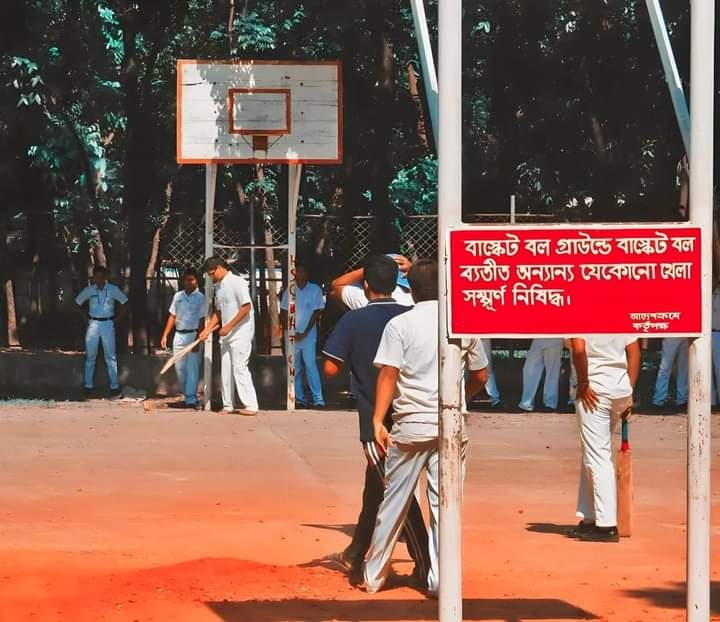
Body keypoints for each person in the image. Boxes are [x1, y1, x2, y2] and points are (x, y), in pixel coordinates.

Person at [362, 259, 488, 596]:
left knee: (394, 502)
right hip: (450, 423)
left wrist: (377, 419)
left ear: (412, 290)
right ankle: (440, 583)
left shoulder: (401, 323)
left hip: (410, 423)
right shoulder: (462, 323)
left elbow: (388, 374)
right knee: (444, 504)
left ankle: (374, 576)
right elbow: (480, 376)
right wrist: (458, 396)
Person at [322, 255, 428, 584]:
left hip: (376, 423)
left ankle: (426, 562)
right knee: (376, 485)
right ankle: (356, 552)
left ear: (366, 284)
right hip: (412, 411)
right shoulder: (411, 313)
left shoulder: (355, 318)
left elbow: (329, 368)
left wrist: (354, 368)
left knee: (397, 491)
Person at [569, 336, 640, 543]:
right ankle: (591, 517)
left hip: (595, 389)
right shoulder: (617, 311)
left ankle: (606, 524)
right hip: (619, 389)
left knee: (597, 455)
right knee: (594, 451)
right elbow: (634, 351)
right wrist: (629, 389)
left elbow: (579, 349)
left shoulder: (577, 312)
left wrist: (583, 383)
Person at [198, 257, 258, 415]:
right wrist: (207, 329)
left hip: (240, 332)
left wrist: (229, 326)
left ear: (218, 268)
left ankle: (251, 405)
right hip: (226, 335)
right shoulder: (218, 287)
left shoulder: (237, 282)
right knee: (226, 370)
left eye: (211, 274)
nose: (211, 277)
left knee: (239, 368)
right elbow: (219, 312)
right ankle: (228, 405)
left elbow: (246, 307)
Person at [74, 265, 128, 398]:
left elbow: (125, 303)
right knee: (90, 356)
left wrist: (116, 318)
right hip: (93, 323)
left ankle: (114, 386)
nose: (98, 279)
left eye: (101, 276)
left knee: (110, 356)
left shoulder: (112, 289)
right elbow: (77, 303)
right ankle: (88, 386)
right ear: (93, 277)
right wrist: (86, 318)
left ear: (106, 277)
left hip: (108, 323)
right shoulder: (89, 290)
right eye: (96, 276)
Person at [280, 262, 325, 408]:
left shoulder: (315, 289)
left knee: (311, 365)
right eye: (297, 272)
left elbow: (316, 312)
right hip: (291, 334)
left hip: (308, 336)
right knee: (295, 366)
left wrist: (304, 332)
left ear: (307, 274)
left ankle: (318, 399)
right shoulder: (290, 289)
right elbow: (284, 310)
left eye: (302, 271)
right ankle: (299, 397)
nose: (299, 274)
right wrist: (289, 329)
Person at [160, 268, 206, 409]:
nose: (188, 283)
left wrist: (199, 338)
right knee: (180, 368)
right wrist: (165, 334)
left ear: (197, 281)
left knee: (192, 368)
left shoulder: (201, 298)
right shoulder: (178, 296)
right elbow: (172, 316)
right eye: (186, 280)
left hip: (193, 335)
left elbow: (202, 319)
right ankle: (187, 396)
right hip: (179, 335)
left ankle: (191, 399)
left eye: (191, 280)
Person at [331, 254, 414, 309]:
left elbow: (336, 284)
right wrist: (413, 269)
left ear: (367, 284)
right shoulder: (411, 299)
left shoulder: (364, 299)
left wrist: (373, 268)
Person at [518, 338, 563, 412]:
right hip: (539, 336)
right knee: (529, 368)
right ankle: (526, 403)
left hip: (556, 336)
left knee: (552, 371)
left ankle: (550, 404)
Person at [651, 337, 688, 411]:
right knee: (665, 368)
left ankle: (682, 400)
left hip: (688, 333)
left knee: (684, 368)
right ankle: (658, 400)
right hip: (673, 334)